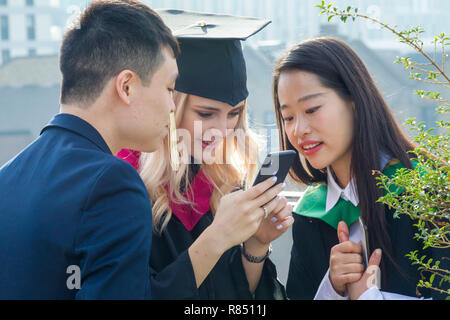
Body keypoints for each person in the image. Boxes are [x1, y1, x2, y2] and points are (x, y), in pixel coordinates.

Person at [0, 0, 179, 299]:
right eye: (170, 88)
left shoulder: (7, 176)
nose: (173, 106)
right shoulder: (113, 184)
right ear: (127, 87)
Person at [117, 10, 293, 299]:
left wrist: (256, 245)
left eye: (234, 114)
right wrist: (218, 236)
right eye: (206, 113)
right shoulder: (125, 180)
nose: (222, 130)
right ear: (172, 102)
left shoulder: (222, 181)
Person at [272, 37, 449, 300]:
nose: (298, 130)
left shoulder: (427, 193)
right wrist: (332, 288)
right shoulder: (312, 212)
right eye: (288, 117)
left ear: (354, 100)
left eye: (311, 109)